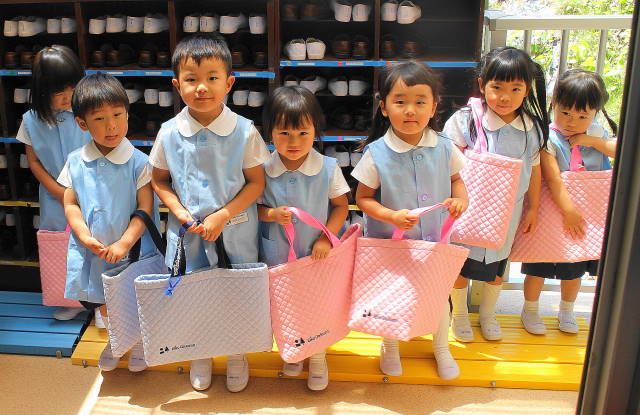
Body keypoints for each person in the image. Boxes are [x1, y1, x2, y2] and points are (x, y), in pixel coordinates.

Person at [149, 34, 270, 392]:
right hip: (187, 234)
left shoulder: (244, 131)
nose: (202, 87)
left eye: (212, 78)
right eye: (191, 79)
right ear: (177, 85)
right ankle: (199, 350)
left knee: (236, 291)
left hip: (235, 231)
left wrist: (222, 215)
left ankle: (236, 351)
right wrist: (179, 211)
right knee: (192, 292)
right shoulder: (169, 132)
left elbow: (256, 183)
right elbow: (159, 180)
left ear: (229, 83)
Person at [352, 62, 469, 380]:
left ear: (433, 106)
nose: (410, 110)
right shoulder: (377, 153)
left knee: (438, 295)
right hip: (391, 245)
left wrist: (461, 200)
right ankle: (389, 346)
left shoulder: (444, 147)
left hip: (434, 242)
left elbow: (457, 181)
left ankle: (441, 346)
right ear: (384, 107)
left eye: (420, 102)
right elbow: (363, 198)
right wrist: (391, 216)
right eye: (400, 101)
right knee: (392, 295)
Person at [443, 46, 549, 342]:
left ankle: (488, 315)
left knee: (498, 267)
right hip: (465, 212)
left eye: (516, 88)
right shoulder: (465, 119)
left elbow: (535, 170)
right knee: (459, 265)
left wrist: (533, 208)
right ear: (482, 84)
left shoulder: (531, 128)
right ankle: (459, 315)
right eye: (497, 87)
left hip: (507, 215)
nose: (505, 97)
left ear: (527, 89)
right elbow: (448, 164)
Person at [58, 73, 159, 372]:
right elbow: (70, 202)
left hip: (134, 249)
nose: (111, 125)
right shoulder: (76, 161)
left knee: (135, 295)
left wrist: (125, 242)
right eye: (99, 119)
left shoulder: (139, 162)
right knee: (103, 299)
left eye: (117, 115)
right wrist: (83, 235)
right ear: (82, 123)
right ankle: (116, 340)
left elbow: (145, 208)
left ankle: (140, 342)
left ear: (127, 114)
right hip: (95, 250)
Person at [258, 86, 350, 390]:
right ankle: (293, 348)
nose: (293, 142)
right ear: (270, 132)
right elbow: (253, 208)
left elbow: (341, 207)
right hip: (276, 255)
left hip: (316, 254)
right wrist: (271, 214)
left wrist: (327, 238)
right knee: (283, 304)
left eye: (302, 133)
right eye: (284, 133)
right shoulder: (263, 169)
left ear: (316, 131)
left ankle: (319, 355)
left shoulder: (328, 168)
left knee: (317, 304)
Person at [520, 69, 617, 335]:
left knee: (575, 268)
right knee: (538, 265)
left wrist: (593, 141)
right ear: (554, 104)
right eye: (565, 113)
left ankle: (566, 311)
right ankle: (530, 309)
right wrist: (569, 211)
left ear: (595, 112)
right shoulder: (547, 137)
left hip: (586, 217)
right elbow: (553, 179)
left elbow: (620, 149)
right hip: (555, 212)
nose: (572, 122)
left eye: (583, 116)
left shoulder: (598, 133)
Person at [17, 45, 90, 321]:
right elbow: (33, 161)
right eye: (60, 91)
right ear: (42, 90)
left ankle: (103, 302)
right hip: (54, 196)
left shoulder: (87, 111)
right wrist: (58, 191)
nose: (68, 97)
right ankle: (71, 300)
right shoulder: (30, 121)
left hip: (92, 190)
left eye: (73, 88)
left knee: (99, 241)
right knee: (61, 247)